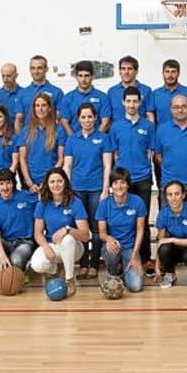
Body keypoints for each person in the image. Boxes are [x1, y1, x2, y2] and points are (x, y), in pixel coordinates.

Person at [108, 86, 155, 276]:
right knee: (121, 220)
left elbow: (150, 152)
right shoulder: (116, 126)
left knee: (142, 221)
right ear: (123, 103)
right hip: (122, 181)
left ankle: (145, 260)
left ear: (140, 102)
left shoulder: (148, 126)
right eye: (128, 101)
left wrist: (144, 168)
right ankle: (121, 260)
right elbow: (115, 153)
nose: (132, 105)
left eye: (135, 101)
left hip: (143, 178)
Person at [63, 103, 112, 279]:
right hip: (77, 190)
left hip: (97, 189)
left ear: (95, 118)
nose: (87, 120)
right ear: (78, 119)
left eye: (90, 117)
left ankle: (94, 264)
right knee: (80, 228)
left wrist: (105, 190)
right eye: (83, 117)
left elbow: (107, 166)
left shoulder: (103, 138)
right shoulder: (71, 140)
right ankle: (83, 264)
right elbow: (67, 167)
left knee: (96, 229)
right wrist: (67, 191)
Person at [30, 168, 90, 297]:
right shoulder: (42, 203)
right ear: (47, 184)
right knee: (37, 264)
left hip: (74, 247)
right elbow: (37, 233)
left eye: (59, 181)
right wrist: (46, 247)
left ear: (65, 182)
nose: (56, 185)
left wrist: (67, 230)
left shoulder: (75, 202)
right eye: (52, 182)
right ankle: (55, 270)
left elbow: (86, 236)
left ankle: (69, 279)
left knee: (67, 239)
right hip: (53, 245)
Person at [97, 167, 146, 293]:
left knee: (135, 287)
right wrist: (109, 239)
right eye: (115, 182)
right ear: (111, 185)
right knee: (111, 253)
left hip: (130, 248)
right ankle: (112, 272)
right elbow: (102, 233)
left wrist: (134, 255)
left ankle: (125, 271)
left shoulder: (137, 202)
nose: (119, 186)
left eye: (123, 182)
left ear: (128, 185)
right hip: (113, 246)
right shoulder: (104, 205)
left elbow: (140, 230)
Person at [154, 181, 187, 289]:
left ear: (183, 195)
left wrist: (171, 239)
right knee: (164, 249)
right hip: (174, 250)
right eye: (170, 194)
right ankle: (170, 273)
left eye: (177, 194)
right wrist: (157, 267)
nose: (173, 198)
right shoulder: (163, 214)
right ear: (166, 197)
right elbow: (160, 242)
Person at [18, 93, 67, 193]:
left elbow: (61, 159)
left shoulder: (59, 130)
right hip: (30, 183)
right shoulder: (25, 131)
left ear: (49, 108)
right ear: (34, 109)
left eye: (44, 105)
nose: (40, 109)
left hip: (51, 184)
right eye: (37, 105)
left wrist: (47, 182)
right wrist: (30, 183)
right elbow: (22, 159)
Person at [14, 55, 64, 133]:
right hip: (29, 136)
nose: (36, 71)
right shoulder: (22, 93)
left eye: (39, 68)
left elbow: (60, 119)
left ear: (46, 69)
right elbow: (18, 120)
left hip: (50, 136)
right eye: (33, 68)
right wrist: (20, 138)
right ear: (29, 69)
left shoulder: (57, 92)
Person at [59, 60, 111, 135]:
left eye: (87, 76)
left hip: (96, 140)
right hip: (74, 140)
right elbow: (64, 122)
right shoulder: (68, 98)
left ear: (92, 77)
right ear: (76, 77)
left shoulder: (103, 97)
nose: (83, 79)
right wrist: (74, 139)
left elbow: (105, 122)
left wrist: (94, 139)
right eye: (80, 76)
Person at [107, 55, 155, 124]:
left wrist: (150, 129)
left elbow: (150, 116)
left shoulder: (146, 90)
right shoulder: (112, 92)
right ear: (119, 71)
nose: (126, 72)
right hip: (117, 130)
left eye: (130, 69)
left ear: (136, 71)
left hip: (139, 130)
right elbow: (108, 118)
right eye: (123, 69)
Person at [152, 59, 187, 127]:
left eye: (173, 72)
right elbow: (152, 118)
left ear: (178, 73)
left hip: (183, 133)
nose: (170, 75)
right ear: (162, 73)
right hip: (162, 133)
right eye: (167, 71)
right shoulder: (155, 94)